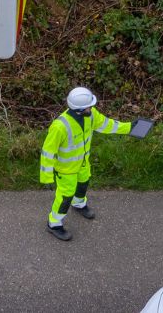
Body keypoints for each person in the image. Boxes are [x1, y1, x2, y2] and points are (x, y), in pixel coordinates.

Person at [39, 86, 132, 241]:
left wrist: (129, 128)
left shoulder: (91, 115)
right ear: (80, 109)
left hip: (82, 163)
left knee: (83, 184)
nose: (92, 107)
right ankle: (54, 223)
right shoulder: (60, 126)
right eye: (90, 105)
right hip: (66, 170)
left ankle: (79, 204)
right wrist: (47, 177)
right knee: (65, 197)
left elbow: (107, 124)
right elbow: (47, 153)